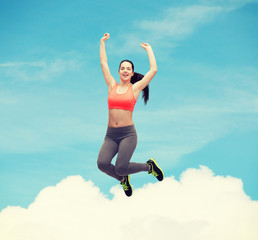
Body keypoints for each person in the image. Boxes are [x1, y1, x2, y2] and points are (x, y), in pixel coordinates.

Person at [97, 33, 164, 197]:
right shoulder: (111, 85)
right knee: (102, 164)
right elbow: (103, 63)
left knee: (121, 167)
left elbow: (153, 70)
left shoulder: (135, 89)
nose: (125, 71)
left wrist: (149, 50)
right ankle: (122, 180)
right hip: (111, 135)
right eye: (122, 68)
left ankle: (150, 167)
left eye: (128, 69)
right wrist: (102, 42)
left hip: (128, 134)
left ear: (132, 73)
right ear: (119, 72)